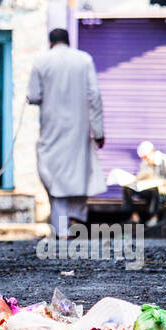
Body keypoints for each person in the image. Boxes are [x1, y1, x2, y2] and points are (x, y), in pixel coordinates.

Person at [26, 28, 106, 236]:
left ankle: (61, 228)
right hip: (79, 129)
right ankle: (75, 219)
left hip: (52, 128)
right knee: (78, 173)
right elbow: (94, 96)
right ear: (68, 41)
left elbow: (33, 95)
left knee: (53, 175)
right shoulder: (84, 60)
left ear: (50, 42)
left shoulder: (41, 61)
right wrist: (98, 131)